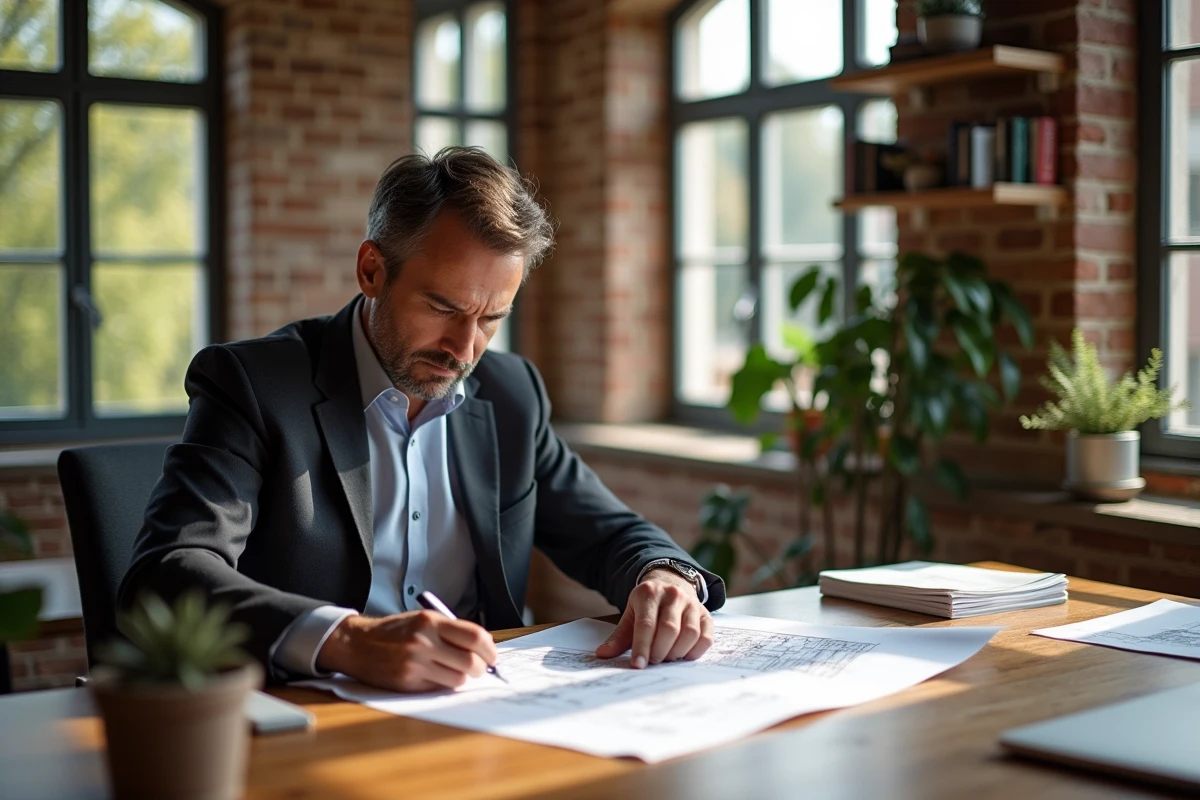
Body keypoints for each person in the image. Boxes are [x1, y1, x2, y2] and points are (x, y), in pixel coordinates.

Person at [121, 146, 725, 691]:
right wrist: (348, 640)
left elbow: (607, 530)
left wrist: (666, 576)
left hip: (482, 715)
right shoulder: (252, 386)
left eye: (491, 318)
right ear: (371, 271)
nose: (464, 349)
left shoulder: (513, 394)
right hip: (311, 718)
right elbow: (168, 572)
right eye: (443, 307)